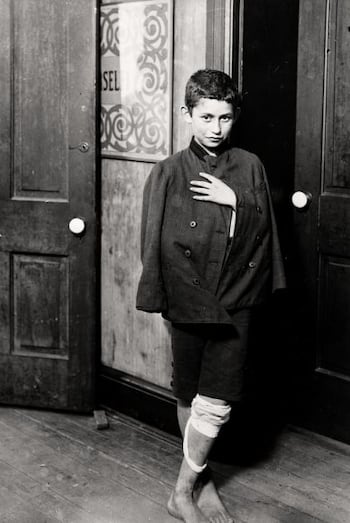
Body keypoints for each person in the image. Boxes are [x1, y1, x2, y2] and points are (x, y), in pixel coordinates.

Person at [136, 69, 286, 523]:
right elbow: (153, 243)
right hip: (186, 297)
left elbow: (269, 235)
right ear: (188, 114)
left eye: (224, 117)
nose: (216, 128)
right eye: (206, 117)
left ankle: (182, 490)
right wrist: (164, 295)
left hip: (235, 297)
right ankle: (202, 484)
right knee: (189, 391)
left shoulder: (250, 166)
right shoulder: (166, 172)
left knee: (217, 400)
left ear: (234, 115)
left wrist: (235, 199)